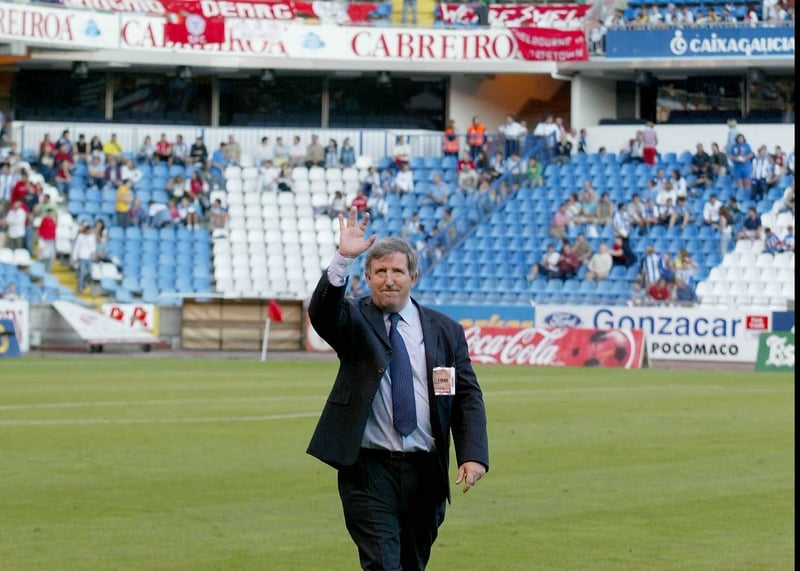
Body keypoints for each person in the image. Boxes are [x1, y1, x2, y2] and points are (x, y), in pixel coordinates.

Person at [307, 207, 488, 571]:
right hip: (370, 471)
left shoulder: (446, 330)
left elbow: (467, 395)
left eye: (397, 271)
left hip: (427, 471)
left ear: (413, 276)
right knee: (382, 565)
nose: (389, 280)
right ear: (368, 278)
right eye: (380, 272)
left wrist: (473, 454)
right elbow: (323, 313)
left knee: (412, 564)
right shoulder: (354, 319)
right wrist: (343, 257)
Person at [71, 221, 97, 293]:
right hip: (82, 256)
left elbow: (93, 247)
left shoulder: (92, 237)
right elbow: (76, 247)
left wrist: (93, 254)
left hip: (89, 257)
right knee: (81, 273)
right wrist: (74, 258)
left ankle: (85, 283)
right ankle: (79, 288)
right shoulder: (80, 237)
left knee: (90, 272)